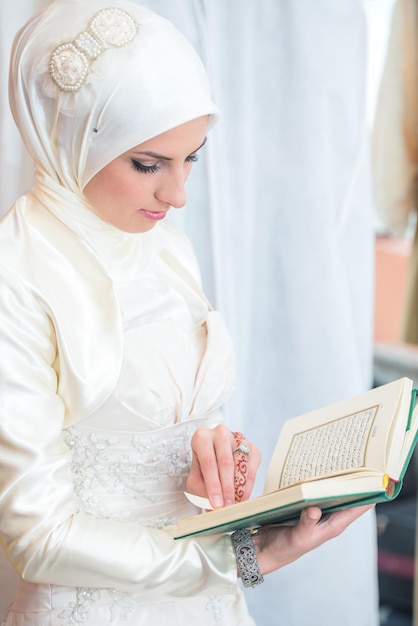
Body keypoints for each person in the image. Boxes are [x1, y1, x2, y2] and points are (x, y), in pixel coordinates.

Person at [0, 1, 372, 624]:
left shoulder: (164, 245)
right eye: (148, 165)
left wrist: (216, 457)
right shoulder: (18, 275)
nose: (177, 195)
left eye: (192, 157)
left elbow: (173, 420)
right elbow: (41, 540)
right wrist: (244, 557)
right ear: (73, 134)